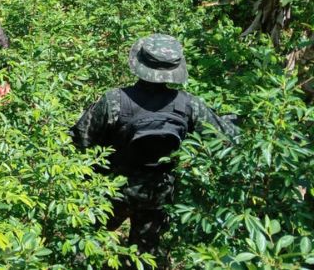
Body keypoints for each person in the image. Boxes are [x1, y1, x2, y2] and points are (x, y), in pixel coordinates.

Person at [70, 34, 236, 267]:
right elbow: (226, 138)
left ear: (138, 64)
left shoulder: (114, 100)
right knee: (146, 255)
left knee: (86, 244)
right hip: (157, 192)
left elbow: (79, 141)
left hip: (111, 191)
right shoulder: (188, 104)